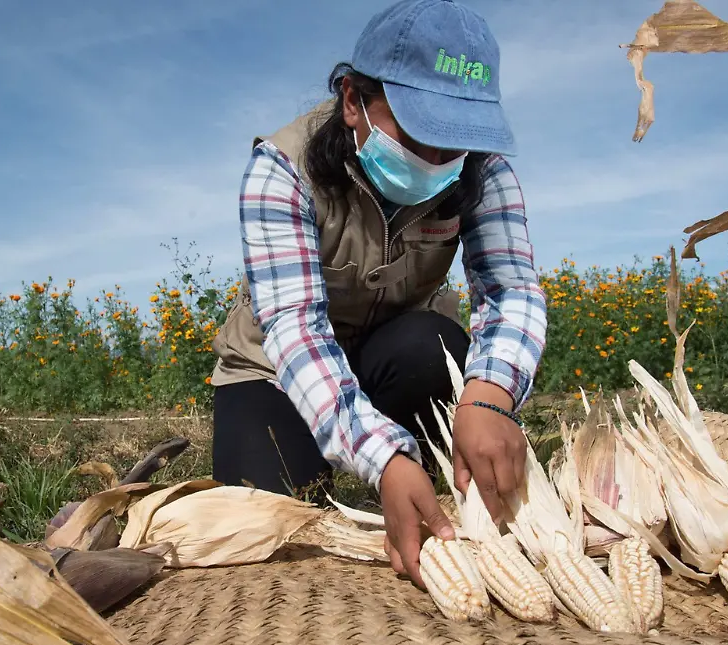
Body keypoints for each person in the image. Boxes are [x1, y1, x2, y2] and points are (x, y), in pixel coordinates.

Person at [208, 0, 547, 589]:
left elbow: (511, 291)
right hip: (276, 370)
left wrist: (490, 398)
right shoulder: (282, 169)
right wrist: (384, 457)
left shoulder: (484, 173)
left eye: (456, 141)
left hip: (391, 351)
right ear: (352, 101)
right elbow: (295, 328)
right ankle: (385, 465)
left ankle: (416, 469)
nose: (437, 160)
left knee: (432, 346)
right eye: (419, 132)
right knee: (272, 506)